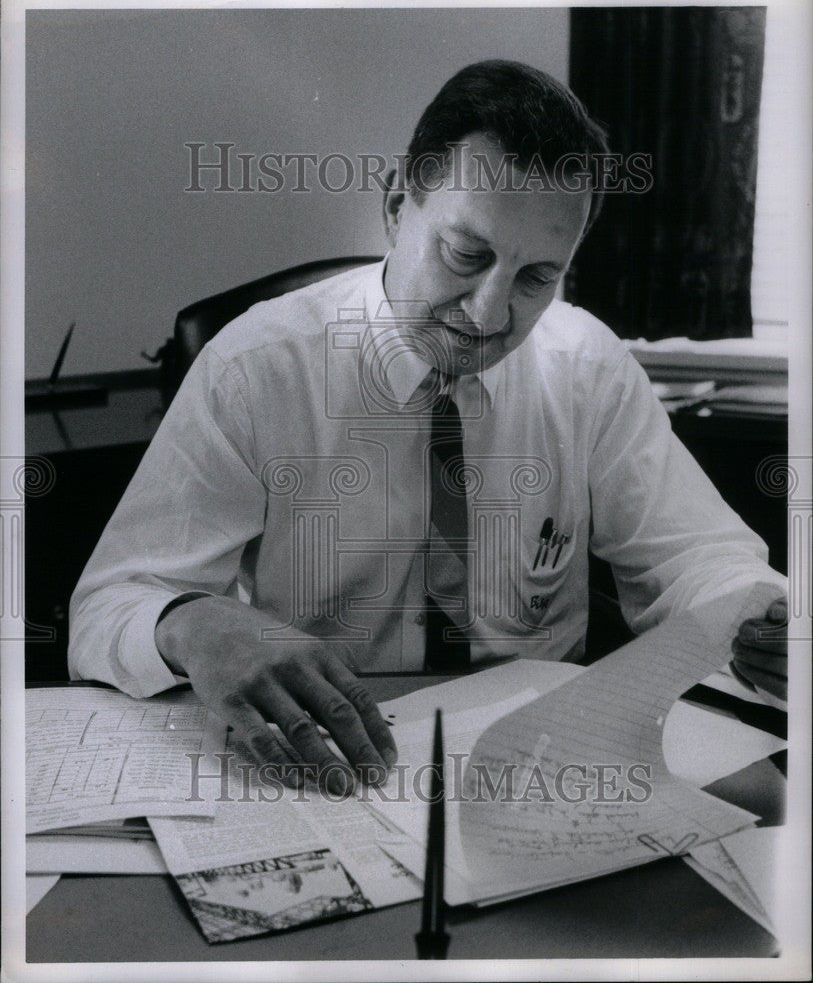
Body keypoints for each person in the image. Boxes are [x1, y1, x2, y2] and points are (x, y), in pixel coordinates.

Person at [69, 61, 787, 794]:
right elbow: (108, 608)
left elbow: (695, 556)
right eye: (465, 255)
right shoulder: (254, 368)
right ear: (393, 209)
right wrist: (188, 624)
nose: (488, 314)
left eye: (537, 276)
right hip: (331, 751)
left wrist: (760, 614)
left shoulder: (586, 364)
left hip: (539, 762)